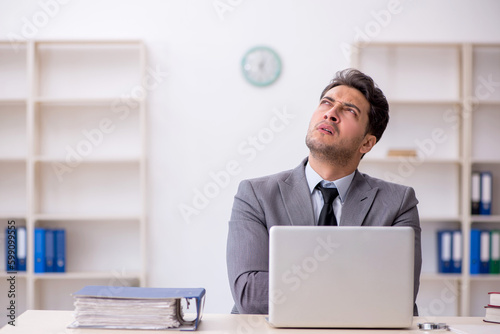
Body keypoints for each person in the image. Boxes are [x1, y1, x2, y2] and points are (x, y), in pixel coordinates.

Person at [226, 68, 422, 316]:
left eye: (349, 110)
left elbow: (397, 297)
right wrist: (356, 288)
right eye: (326, 103)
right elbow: (250, 295)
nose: (331, 114)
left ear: (367, 143)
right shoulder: (255, 195)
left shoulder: (398, 203)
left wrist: (294, 290)